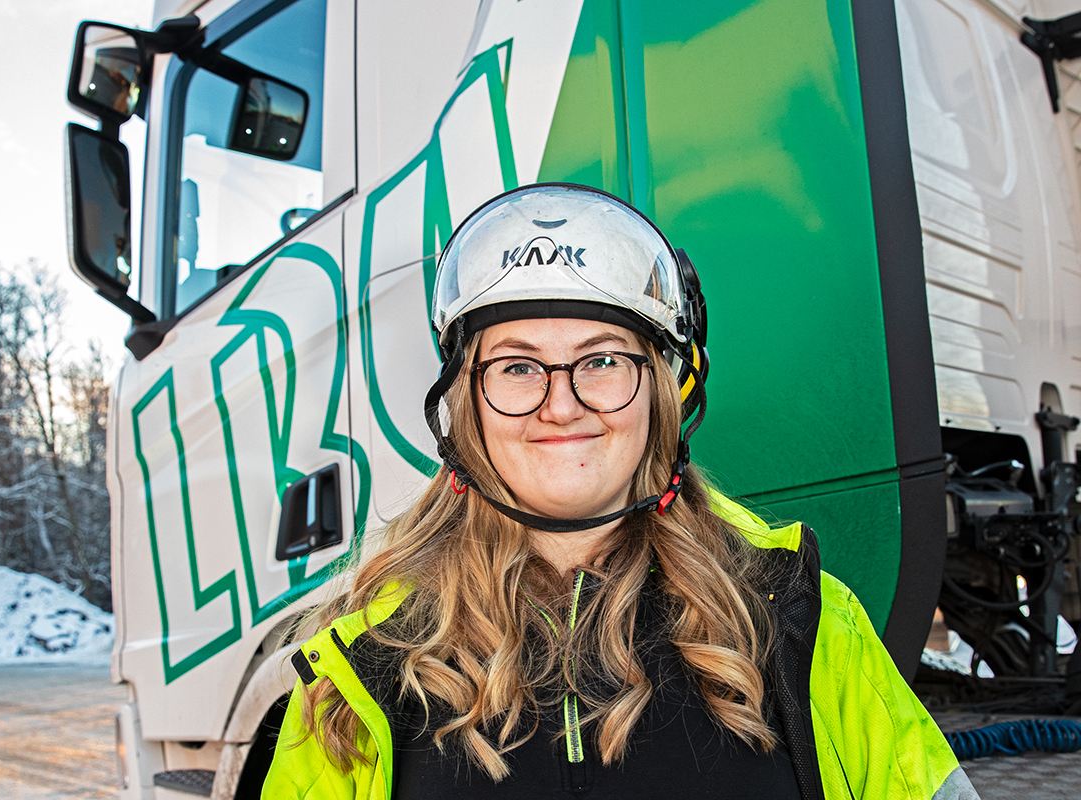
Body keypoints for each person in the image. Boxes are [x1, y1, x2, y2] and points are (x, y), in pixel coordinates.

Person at [260, 183, 977, 799]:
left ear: (664, 390)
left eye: (602, 361)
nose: (560, 406)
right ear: (465, 401)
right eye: (517, 367)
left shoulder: (800, 616)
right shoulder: (363, 658)